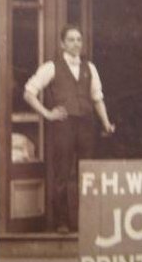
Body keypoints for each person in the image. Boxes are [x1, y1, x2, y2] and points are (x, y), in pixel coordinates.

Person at [24, 25, 116, 233]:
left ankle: (88, 222)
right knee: (62, 174)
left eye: (79, 40)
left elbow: (97, 98)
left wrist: (106, 123)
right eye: (71, 40)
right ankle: (62, 222)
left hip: (86, 124)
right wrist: (47, 113)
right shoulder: (52, 67)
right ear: (62, 43)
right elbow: (29, 92)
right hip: (63, 126)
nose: (76, 43)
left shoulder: (89, 68)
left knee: (87, 173)